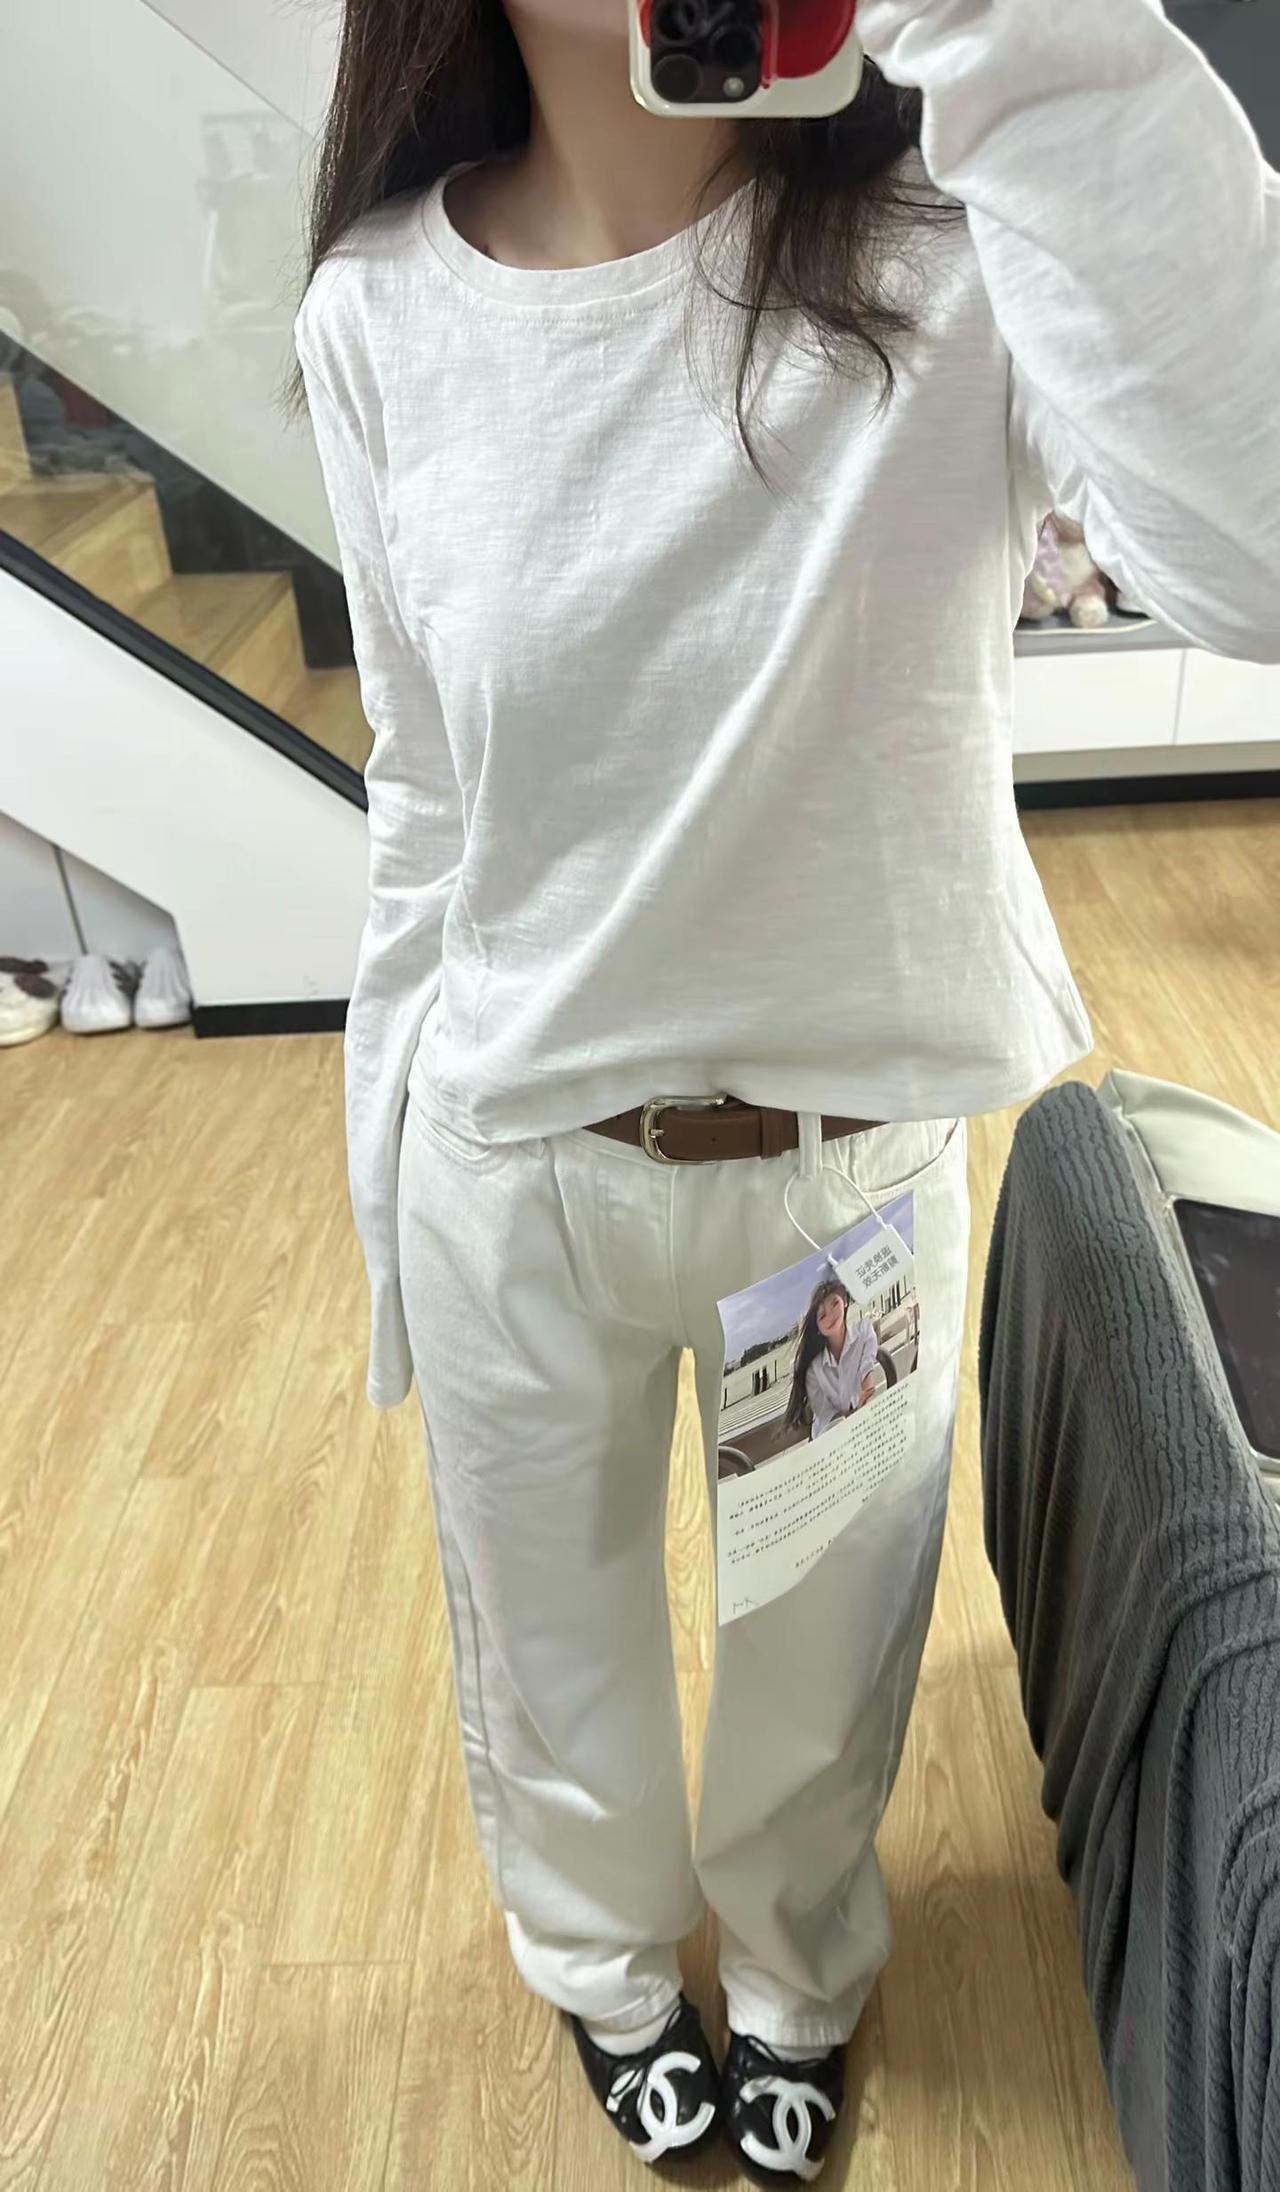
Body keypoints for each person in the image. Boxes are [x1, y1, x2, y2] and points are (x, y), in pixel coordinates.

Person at [288, 0, 1278, 2176]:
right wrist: (386, 1192)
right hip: (518, 1165)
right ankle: (605, 1969)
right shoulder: (377, 312)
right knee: (554, 1654)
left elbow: (1262, 548)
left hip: (837, 1189)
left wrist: (1003, 23)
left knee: (819, 1658)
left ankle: (800, 1974)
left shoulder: (958, 244)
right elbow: (422, 794)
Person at [785, 1277, 880, 1444]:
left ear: (845, 1301)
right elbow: (826, 1414)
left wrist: (867, 1397)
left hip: (860, 1422)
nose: (831, 1316)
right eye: (822, 1316)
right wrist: (855, 1414)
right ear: (817, 1328)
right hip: (827, 1436)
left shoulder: (864, 1332)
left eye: (835, 1304)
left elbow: (867, 1370)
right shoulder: (813, 1368)